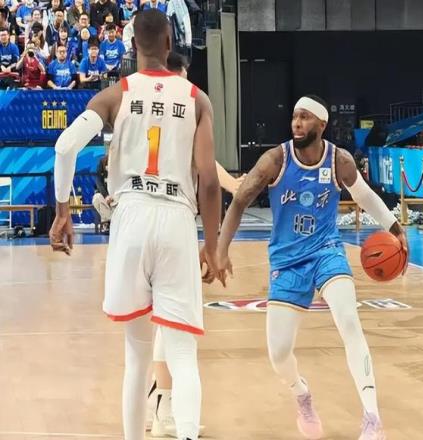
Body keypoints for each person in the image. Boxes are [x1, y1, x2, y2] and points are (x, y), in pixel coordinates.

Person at [49, 9, 223, 440]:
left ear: (131, 47)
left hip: (130, 216)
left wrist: (63, 210)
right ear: (169, 43)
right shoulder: (197, 99)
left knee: (136, 357)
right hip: (177, 217)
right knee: (182, 352)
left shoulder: (116, 94)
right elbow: (209, 182)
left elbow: (65, 146)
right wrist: (213, 244)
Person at [216, 95, 408, 440]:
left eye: (305, 117)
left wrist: (395, 228)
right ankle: (302, 395)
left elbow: (364, 196)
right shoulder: (275, 160)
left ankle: (372, 418)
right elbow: (240, 200)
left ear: (322, 124)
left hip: (326, 251)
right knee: (278, 354)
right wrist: (221, 248)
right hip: (287, 261)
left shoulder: (339, 160)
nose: (297, 123)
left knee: (349, 321)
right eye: (295, 117)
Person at [145, 49, 246, 438]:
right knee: (177, 327)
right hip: (172, 225)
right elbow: (207, 169)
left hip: (139, 224)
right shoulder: (184, 110)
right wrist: (236, 187)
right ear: (178, 75)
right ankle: (168, 411)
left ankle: (159, 407)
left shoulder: (142, 106)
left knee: (160, 323)